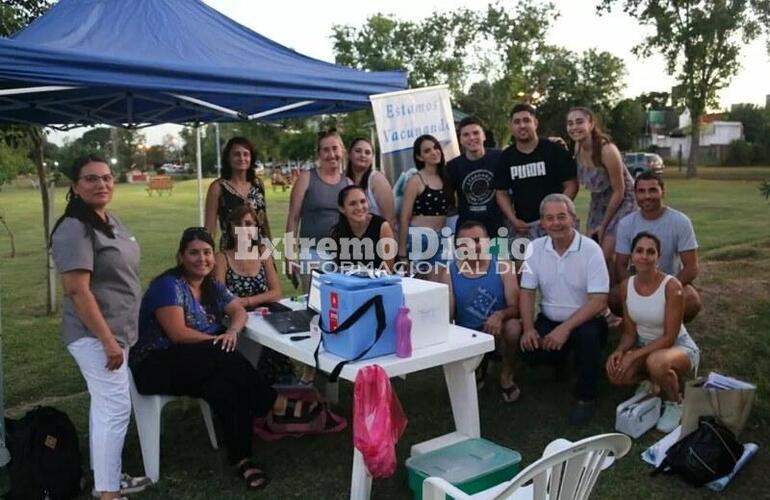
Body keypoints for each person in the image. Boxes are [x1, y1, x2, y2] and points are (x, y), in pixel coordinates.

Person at [129, 228, 277, 491]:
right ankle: (274, 402)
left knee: (225, 386)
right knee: (223, 354)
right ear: (181, 256)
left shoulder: (212, 286)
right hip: (155, 365)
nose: (202, 259)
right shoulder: (169, 285)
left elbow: (238, 311)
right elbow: (178, 333)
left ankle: (243, 459)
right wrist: (217, 341)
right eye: (194, 253)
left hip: (198, 363)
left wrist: (232, 331)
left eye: (207, 252)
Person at [51, 155, 150, 500]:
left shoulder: (109, 221)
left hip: (118, 332)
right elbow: (77, 291)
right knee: (115, 408)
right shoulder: (73, 228)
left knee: (105, 407)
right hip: (96, 336)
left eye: (106, 177)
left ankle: (107, 477)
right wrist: (107, 341)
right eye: (91, 179)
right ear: (75, 186)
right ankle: (108, 492)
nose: (102, 184)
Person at [519, 194, 609, 425]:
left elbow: (599, 301)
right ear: (542, 223)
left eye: (561, 216)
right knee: (529, 351)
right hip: (549, 318)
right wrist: (528, 328)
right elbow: (527, 292)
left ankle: (585, 397)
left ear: (573, 219)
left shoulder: (591, 249)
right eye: (549, 218)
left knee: (587, 339)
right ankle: (561, 362)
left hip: (586, 319)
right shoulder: (535, 248)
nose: (556, 223)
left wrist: (565, 329)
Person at [606, 231, 700, 433]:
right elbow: (629, 334)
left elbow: (669, 337)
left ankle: (676, 402)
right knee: (616, 374)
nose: (644, 256)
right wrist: (619, 352)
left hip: (678, 347)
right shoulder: (626, 286)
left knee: (656, 362)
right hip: (646, 347)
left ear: (658, 257)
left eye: (651, 252)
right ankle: (653, 382)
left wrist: (634, 356)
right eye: (639, 251)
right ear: (632, 256)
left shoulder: (672, 287)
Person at [440, 220, 521, 402]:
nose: (473, 246)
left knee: (514, 328)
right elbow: (448, 316)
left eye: (477, 240)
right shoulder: (449, 272)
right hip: (467, 334)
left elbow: (516, 308)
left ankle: (507, 375)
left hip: (497, 330)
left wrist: (500, 315)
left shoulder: (503, 267)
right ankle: (476, 366)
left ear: (488, 242)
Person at [214, 205, 294, 385]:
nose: (244, 228)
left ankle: (283, 391)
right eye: (238, 224)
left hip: (263, 318)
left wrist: (245, 301)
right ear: (231, 229)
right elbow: (220, 297)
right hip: (235, 319)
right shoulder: (222, 258)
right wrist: (242, 304)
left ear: (257, 228)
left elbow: (276, 292)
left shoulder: (263, 252)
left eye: (249, 224)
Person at [612, 172, 703, 322]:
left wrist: (665, 289)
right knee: (614, 298)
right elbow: (620, 265)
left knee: (692, 302)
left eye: (653, 190)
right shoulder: (626, 224)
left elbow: (691, 268)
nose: (647, 196)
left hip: (670, 280)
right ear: (635, 195)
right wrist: (633, 290)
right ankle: (638, 322)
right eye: (641, 191)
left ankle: (668, 324)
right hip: (638, 281)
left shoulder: (680, 221)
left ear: (663, 192)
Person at [495, 103, 579, 241]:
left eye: (526, 120)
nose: (522, 125)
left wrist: (555, 214)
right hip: (525, 226)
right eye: (517, 122)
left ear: (535, 123)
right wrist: (513, 219)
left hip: (557, 223)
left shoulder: (555, 150)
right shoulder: (506, 157)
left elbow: (571, 185)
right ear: (511, 126)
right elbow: (501, 192)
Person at [566, 107, 636, 272]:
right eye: (570, 123)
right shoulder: (578, 147)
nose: (574, 127)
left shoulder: (607, 151)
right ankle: (603, 285)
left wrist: (604, 224)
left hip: (622, 200)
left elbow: (619, 190)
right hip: (599, 200)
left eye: (579, 122)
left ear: (591, 124)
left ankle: (618, 285)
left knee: (605, 253)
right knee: (592, 250)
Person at [285, 129, 351, 290]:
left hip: (342, 256)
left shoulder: (348, 183)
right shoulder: (306, 178)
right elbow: (293, 217)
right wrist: (289, 255)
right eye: (326, 150)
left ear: (342, 151)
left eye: (335, 148)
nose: (331, 154)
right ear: (319, 154)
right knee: (314, 301)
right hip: (312, 253)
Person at [398, 134, 453, 278]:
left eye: (435, 147)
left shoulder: (446, 178)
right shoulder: (415, 181)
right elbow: (404, 217)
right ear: (420, 157)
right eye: (427, 151)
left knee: (441, 282)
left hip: (442, 237)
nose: (434, 152)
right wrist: (402, 253)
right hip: (420, 238)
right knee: (421, 282)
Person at [204, 136, 269, 249]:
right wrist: (208, 252)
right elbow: (210, 228)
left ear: (251, 158)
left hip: (259, 249)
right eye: (237, 154)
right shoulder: (217, 188)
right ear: (228, 158)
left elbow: (264, 221)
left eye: (246, 154)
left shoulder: (258, 184)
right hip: (231, 250)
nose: (242, 158)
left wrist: (270, 250)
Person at [447, 116, 503, 238]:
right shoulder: (453, 166)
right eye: (466, 135)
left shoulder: (500, 157)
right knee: (468, 252)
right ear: (460, 139)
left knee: (500, 251)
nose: (472, 138)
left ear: (484, 136)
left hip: (498, 228)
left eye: (476, 133)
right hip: (467, 230)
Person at [331, 185, 396, 273]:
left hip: (379, 279)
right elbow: (338, 270)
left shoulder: (383, 227)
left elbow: (388, 269)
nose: (359, 207)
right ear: (342, 209)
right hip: (349, 280)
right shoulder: (337, 232)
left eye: (363, 201)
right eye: (353, 204)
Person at [345, 137, 396, 227]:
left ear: (372, 158)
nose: (363, 155)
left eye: (367, 152)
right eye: (358, 151)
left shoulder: (377, 179)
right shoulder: (343, 179)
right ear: (349, 154)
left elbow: (390, 219)